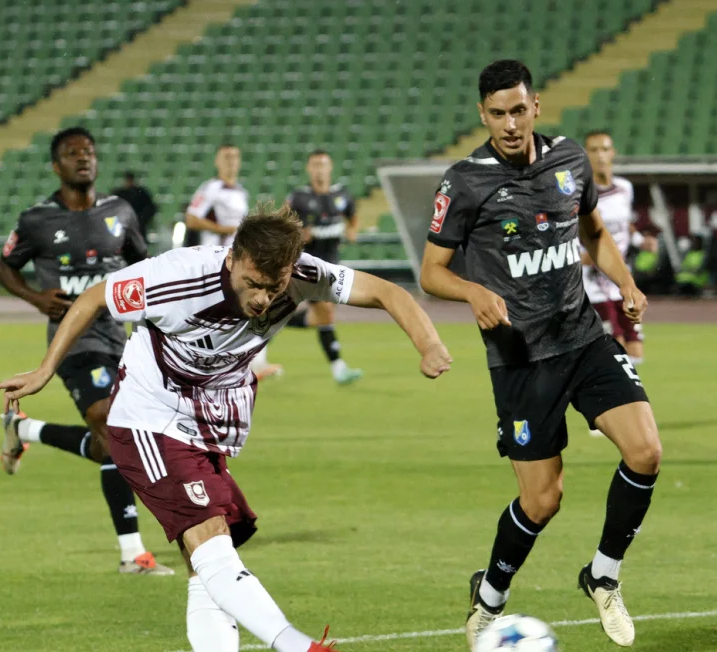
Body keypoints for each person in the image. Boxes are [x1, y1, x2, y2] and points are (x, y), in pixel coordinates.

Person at [0, 205, 452, 652]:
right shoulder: (175, 277)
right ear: (232, 258)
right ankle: (298, 645)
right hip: (148, 420)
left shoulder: (306, 275)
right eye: (253, 284)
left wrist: (428, 344)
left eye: (274, 288)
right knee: (210, 540)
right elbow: (95, 296)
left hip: (205, 427)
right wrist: (46, 369)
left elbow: (389, 292)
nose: (263, 299)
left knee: (203, 568)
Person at [419, 59, 662, 649]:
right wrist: (473, 290)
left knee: (646, 451)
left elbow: (593, 232)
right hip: (521, 360)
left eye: (518, 110)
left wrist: (625, 282)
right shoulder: (463, 182)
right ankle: (490, 598)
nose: (509, 123)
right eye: (497, 113)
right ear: (484, 115)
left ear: (536, 107)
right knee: (543, 499)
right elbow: (431, 272)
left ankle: (603, 574)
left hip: (583, 339)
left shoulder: (570, 160)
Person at [0, 127, 173, 575]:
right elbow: (5, 267)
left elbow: (143, 267)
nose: (83, 159)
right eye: (72, 154)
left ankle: (25, 430)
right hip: (74, 344)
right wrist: (37, 299)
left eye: (89, 152)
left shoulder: (121, 211)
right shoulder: (37, 220)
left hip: (124, 340)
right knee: (112, 430)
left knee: (107, 443)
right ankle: (133, 554)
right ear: (56, 166)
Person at [185, 143, 283, 381]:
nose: (231, 161)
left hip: (238, 260)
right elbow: (191, 219)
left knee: (252, 307)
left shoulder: (240, 191)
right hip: (217, 259)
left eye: (235, 156)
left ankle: (249, 364)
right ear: (217, 161)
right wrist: (222, 228)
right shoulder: (211, 188)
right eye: (226, 156)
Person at [284, 150, 363, 385]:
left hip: (332, 264)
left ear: (330, 167)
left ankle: (282, 322)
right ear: (309, 169)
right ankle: (338, 368)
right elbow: (283, 224)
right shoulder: (299, 197)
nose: (319, 169)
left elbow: (353, 215)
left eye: (323, 164)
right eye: (315, 165)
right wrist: (298, 234)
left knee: (322, 316)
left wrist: (352, 229)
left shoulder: (341, 194)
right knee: (326, 313)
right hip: (306, 263)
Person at [579, 130, 644, 365]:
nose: (600, 156)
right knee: (615, 350)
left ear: (613, 152)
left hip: (621, 281)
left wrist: (639, 240)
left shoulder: (625, 188)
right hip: (594, 285)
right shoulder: (581, 194)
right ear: (586, 155)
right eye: (594, 150)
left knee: (636, 350)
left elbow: (625, 223)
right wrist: (582, 257)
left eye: (605, 149)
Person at [111, 170, 158, 240]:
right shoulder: (119, 193)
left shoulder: (142, 193)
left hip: (138, 227)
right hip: (123, 228)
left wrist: (141, 220)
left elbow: (150, 209)